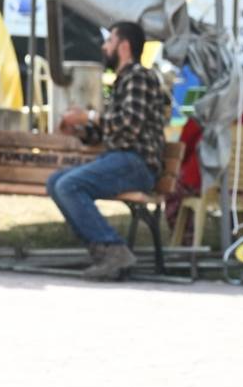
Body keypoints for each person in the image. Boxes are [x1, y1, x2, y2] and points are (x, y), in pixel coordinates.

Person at [50, 21, 171, 282]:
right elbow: (112, 132)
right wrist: (80, 128)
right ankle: (103, 251)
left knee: (68, 185)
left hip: (137, 163)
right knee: (56, 182)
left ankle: (112, 250)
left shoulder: (139, 76)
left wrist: (89, 115)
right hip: (122, 159)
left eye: (109, 41)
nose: (104, 47)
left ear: (124, 46)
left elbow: (130, 125)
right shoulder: (123, 80)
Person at [167, 66, 243, 233]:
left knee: (175, 185)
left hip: (209, 183)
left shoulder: (210, 113)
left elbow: (185, 144)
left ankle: (186, 239)